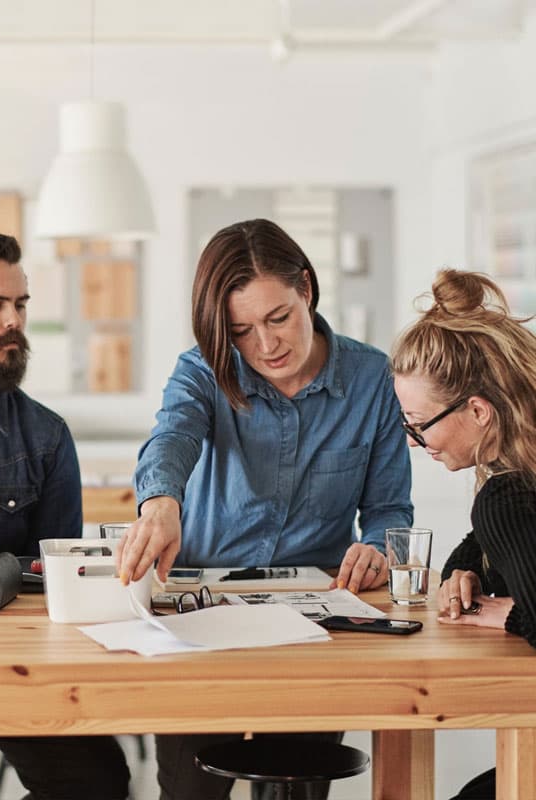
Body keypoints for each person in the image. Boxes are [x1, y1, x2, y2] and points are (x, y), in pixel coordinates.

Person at [118, 218, 413, 800]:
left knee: (295, 788)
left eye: (278, 318)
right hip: (198, 613)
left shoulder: (374, 378)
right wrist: (159, 502)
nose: (267, 345)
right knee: (188, 789)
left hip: (311, 626)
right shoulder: (203, 368)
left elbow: (387, 509)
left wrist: (377, 550)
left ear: (306, 287)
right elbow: (172, 435)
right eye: (242, 330)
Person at [0, 224, 130, 800]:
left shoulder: (46, 438)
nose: (13, 320)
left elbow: (58, 580)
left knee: (97, 780)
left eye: (19, 303)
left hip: (4, 665)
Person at [390, 267, 536, 800]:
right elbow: (474, 548)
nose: (414, 440)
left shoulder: (507, 497)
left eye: (419, 422)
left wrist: (505, 613)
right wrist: (462, 573)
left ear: (477, 410)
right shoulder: (519, 477)